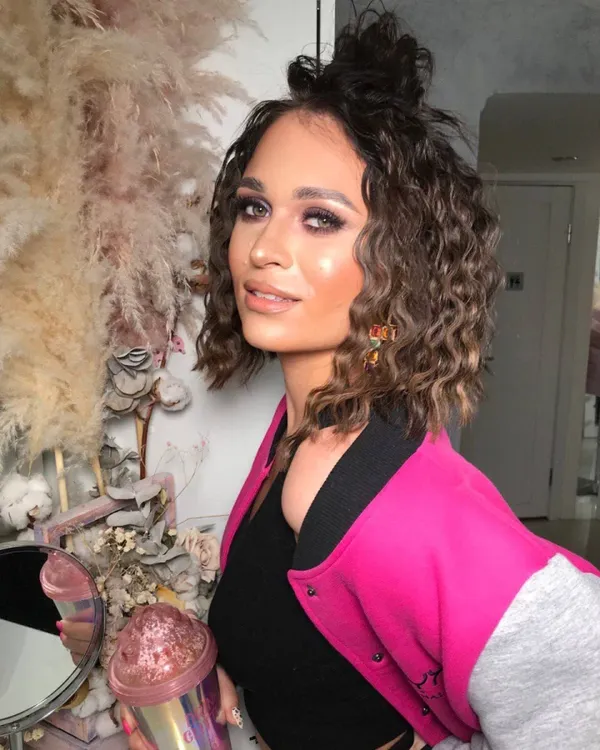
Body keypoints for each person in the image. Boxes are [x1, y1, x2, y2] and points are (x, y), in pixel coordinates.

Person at [118, 10, 600, 750]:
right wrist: (225, 690)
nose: (264, 247)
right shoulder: (306, 425)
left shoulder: (377, 492)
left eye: (320, 219)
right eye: (254, 207)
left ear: (399, 261)